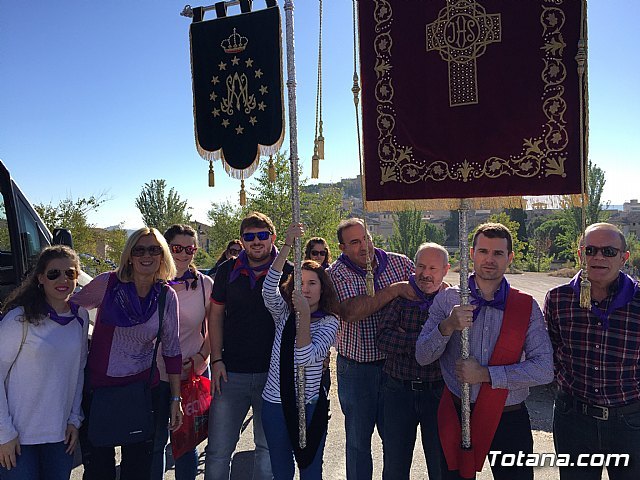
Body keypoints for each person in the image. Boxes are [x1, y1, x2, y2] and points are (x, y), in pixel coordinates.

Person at [416, 222, 554, 480]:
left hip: (508, 418)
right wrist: (447, 327)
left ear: (509, 258)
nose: (489, 259)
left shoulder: (526, 305)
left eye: (498, 253)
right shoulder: (447, 300)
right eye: (483, 251)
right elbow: (423, 356)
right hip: (458, 414)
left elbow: (544, 369)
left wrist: (487, 374)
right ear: (472, 253)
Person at [73, 227, 183, 480]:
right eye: (140, 249)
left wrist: (175, 400)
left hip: (141, 395)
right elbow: (69, 310)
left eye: (154, 249)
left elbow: (172, 351)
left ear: (162, 255)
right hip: (98, 394)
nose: (147, 255)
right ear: (129, 256)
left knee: (137, 472)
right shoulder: (107, 284)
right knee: (99, 472)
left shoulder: (166, 296)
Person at [544, 222, 640, 480]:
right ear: (580, 253)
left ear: (624, 257)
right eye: (591, 250)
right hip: (573, 419)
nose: (598, 257)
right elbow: (550, 352)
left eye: (609, 251)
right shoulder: (558, 299)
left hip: (630, 421)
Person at [205, 212, 293, 480]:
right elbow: (216, 315)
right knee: (219, 450)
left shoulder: (289, 272)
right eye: (250, 237)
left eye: (262, 236)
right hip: (231, 373)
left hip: (274, 376)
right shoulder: (227, 271)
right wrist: (216, 360)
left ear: (273, 238)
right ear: (242, 241)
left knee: (266, 449)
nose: (256, 242)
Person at [327, 217, 416, 480]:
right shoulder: (335, 274)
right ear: (342, 247)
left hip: (396, 368)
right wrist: (395, 291)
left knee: (396, 442)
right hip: (357, 370)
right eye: (354, 242)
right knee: (357, 442)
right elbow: (351, 312)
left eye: (366, 237)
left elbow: (423, 296)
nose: (364, 246)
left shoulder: (400, 262)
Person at [0, 246, 89, 480]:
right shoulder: (19, 319)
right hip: (18, 439)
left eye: (70, 273)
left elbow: (78, 372)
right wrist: (4, 434)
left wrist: (74, 419)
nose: (63, 280)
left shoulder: (80, 317)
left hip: (60, 437)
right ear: (40, 278)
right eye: (54, 274)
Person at [261, 223, 340, 479]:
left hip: (309, 405)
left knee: (310, 469)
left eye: (312, 283)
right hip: (275, 402)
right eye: (300, 283)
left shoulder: (330, 321)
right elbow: (268, 288)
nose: (305, 288)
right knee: (281, 468)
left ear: (322, 287)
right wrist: (285, 246)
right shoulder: (284, 313)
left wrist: (304, 316)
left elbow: (305, 358)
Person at [377, 242, 450, 480]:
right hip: (398, 391)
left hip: (438, 394)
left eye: (432, 268)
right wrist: (429, 340)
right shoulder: (400, 298)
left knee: (440, 465)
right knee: (395, 466)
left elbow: (455, 347)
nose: (425, 273)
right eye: (420, 266)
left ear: (445, 270)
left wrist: (407, 339)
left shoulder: (452, 304)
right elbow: (383, 339)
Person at [152, 224, 214, 480]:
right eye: (177, 248)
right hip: (155, 375)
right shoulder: (149, 282)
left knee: (186, 446)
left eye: (191, 248)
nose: (184, 254)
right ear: (166, 248)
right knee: (154, 446)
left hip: (192, 374)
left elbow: (216, 329)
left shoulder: (204, 285)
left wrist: (201, 357)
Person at [303, 237, 333, 395]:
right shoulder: (301, 274)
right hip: (302, 324)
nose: (318, 256)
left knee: (321, 372)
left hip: (324, 325)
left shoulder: (331, 275)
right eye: (315, 252)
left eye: (322, 253)